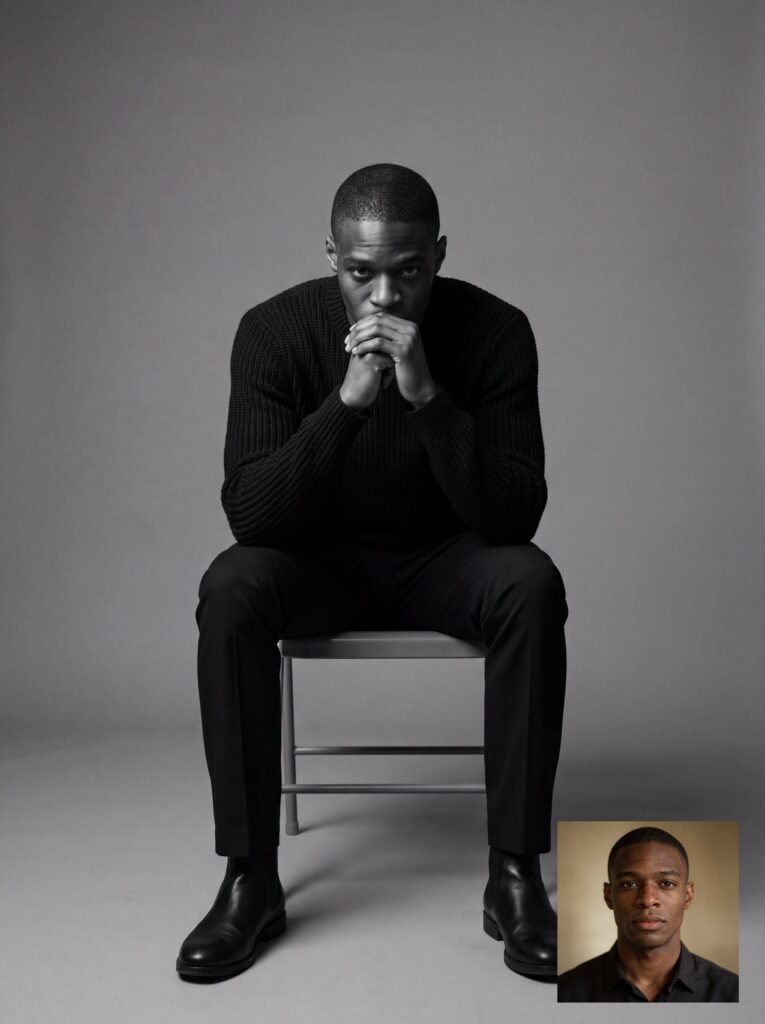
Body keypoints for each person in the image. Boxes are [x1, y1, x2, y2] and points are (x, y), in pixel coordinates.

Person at [175, 163, 568, 981]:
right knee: (231, 583)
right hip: (321, 562)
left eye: (408, 271)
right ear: (331, 259)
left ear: (439, 255)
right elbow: (251, 516)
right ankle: (250, 878)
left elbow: (512, 516)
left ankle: (513, 874)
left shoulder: (496, 332)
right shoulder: (274, 332)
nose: (384, 298)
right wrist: (346, 405)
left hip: (444, 560)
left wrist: (427, 398)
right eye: (361, 274)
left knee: (530, 581)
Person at [557, 826, 739, 1002]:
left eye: (666, 883)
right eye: (629, 884)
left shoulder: (733, 994)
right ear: (608, 896)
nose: (648, 899)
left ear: (687, 896)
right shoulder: (564, 993)